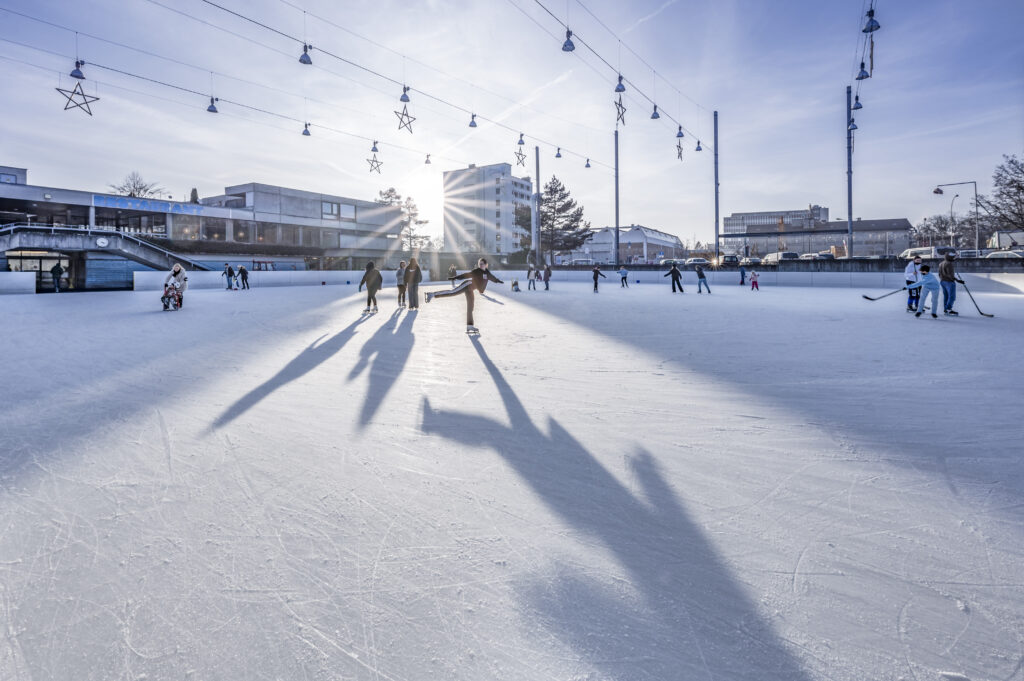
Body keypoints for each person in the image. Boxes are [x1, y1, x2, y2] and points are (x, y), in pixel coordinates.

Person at [426, 257, 504, 333]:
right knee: (452, 292)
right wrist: (455, 277)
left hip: (471, 290)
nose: (480, 265)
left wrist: (498, 281)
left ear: (486, 265)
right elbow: (466, 275)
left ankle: (470, 326)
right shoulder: (477, 271)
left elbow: (492, 278)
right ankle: (432, 294)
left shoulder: (487, 273)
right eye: (479, 264)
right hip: (468, 285)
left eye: (482, 264)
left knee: (471, 307)